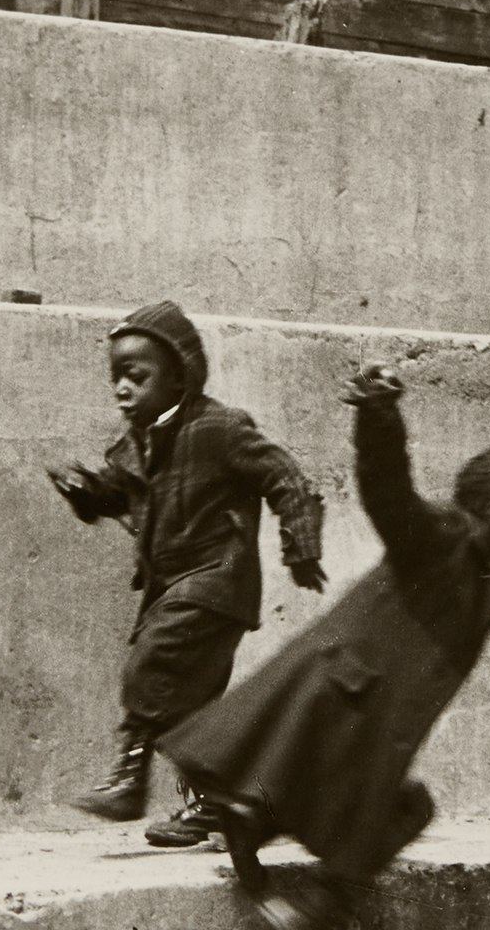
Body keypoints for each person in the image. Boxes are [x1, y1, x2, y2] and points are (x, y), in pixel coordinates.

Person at [158, 362, 490, 930]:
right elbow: (388, 489)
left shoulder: (476, 583)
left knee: (338, 791)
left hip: (350, 710)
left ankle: (249, 820)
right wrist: (378, 414)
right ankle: (314, 906)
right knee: (404, 810)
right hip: (344, 703)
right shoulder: (438, 540)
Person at [49, 302, 327, 847]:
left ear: (180, 374)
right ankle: (221, 807)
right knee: (192, 712)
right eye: (116, 378)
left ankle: (129, 780)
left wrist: (300, 546)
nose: (122, 389)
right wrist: (89, 493)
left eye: (137, 376)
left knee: (150, 662)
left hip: (215, 578)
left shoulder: (219, 429)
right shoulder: (136, 446)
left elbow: (285, 476)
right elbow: (120, 493)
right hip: (171, 587)